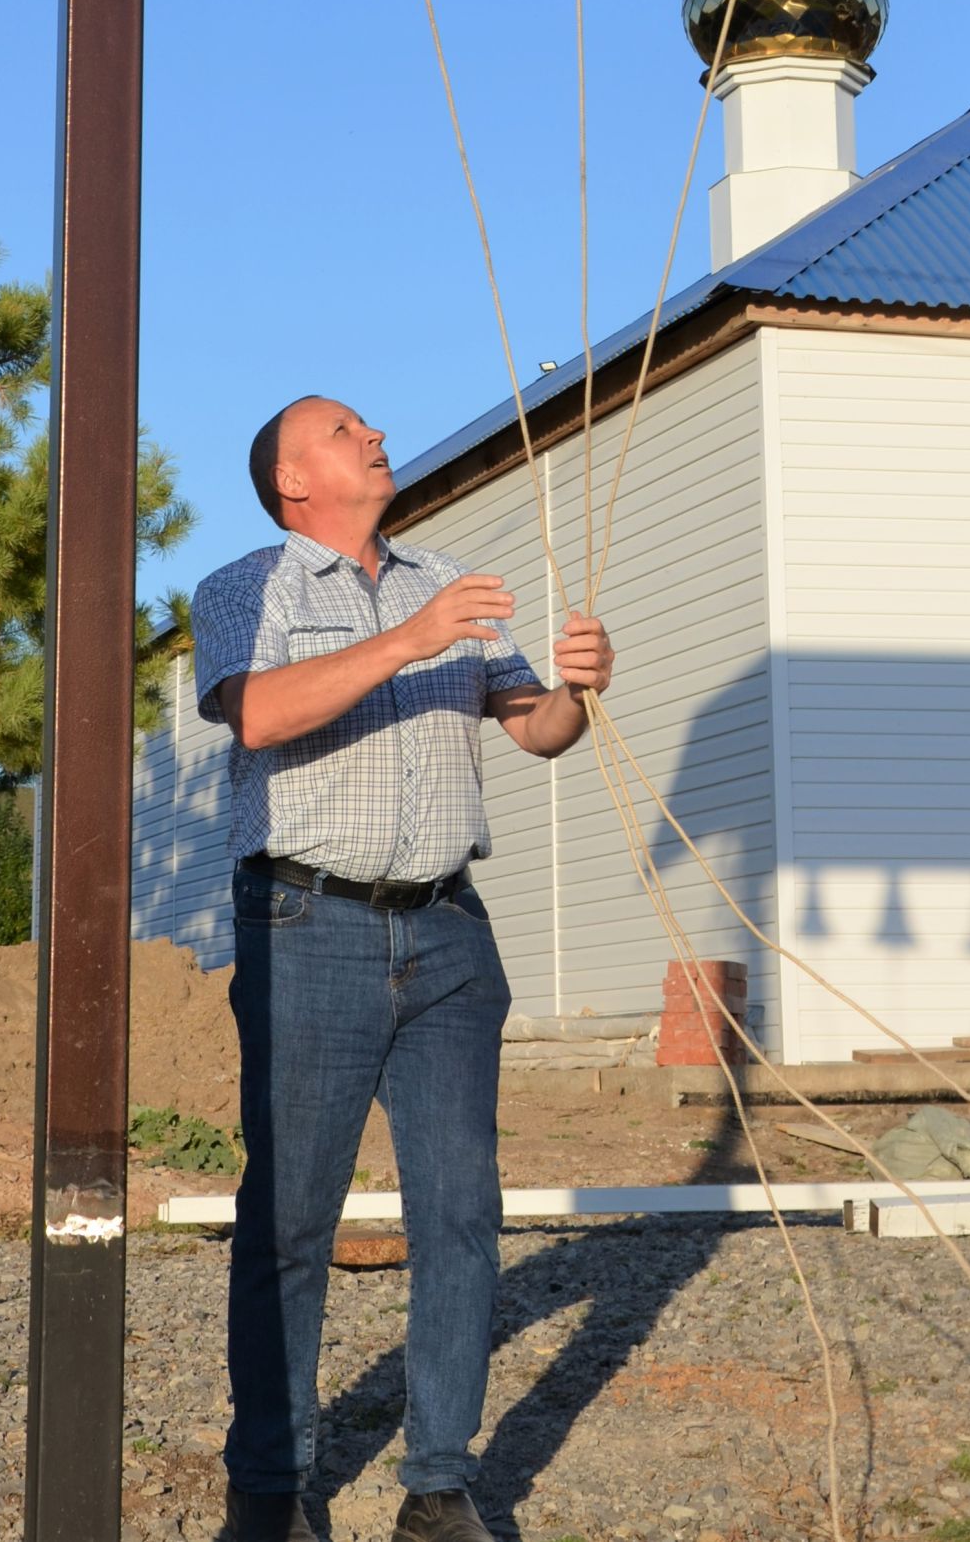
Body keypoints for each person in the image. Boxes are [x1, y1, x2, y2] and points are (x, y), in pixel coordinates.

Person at [193, 394, 616, 1542]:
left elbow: (536, 728)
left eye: (369, 425)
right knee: (289, 1224)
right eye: (342, 431)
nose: (373, 435)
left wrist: (580, 682)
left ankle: (438, 1487)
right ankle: (274, 1497)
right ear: (293, 482)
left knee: (462, 1213)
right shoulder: (251, 586)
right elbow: (262, 718)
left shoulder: (448, 575)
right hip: (306, 928)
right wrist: (411, 640)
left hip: (448, 937)